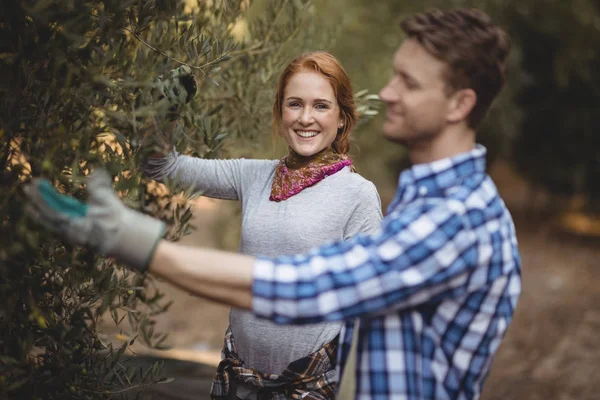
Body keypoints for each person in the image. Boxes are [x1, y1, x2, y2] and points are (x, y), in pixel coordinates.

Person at [24, 7, 522, 400]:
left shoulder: (453, 220)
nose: (388, 92)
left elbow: (309, 287)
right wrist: (159, 118)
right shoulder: (425, 201)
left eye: (408, 83)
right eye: (295, 103)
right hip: (239, 372)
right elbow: (165, 165)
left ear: (459, 104)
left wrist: (136, 244)